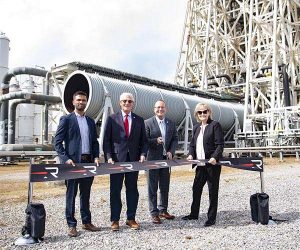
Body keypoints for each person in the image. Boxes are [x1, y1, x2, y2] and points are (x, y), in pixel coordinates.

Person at [54, 91, 101, 237]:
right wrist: (65, 158)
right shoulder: (66, 120)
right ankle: (71, 225)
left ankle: (86, 222)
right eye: (79, 100)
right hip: (73, 163)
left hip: (88, 162)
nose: (81, 102)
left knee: (85, 194)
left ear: (86, 102)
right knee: (71, 194)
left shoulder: (90, 121)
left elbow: (94, 142)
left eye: (84, 100)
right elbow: (57, 142)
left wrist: (96, 156)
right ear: (73, 102)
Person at [103, 92, 148, 231]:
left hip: (133, 160)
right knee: (115, 190)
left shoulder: (139, 120)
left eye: (129, 101)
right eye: (124, 101)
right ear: (120, 103)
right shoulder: (112, 119)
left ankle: (131, 218)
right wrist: (109, 156)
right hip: (116, 161)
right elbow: (106, 140)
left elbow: (144, 141)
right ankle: (115, 220)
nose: (127, 103)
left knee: (132, 190)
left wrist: (142, 154)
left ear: (133, 103)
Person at [182, 103, 224, 227]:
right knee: (196, 189)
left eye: (205, 111)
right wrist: (191, 154)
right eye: (199, 112)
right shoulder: (196, 128)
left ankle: (211, 218)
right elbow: (192, 145)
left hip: (212, 165)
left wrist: (214, 157)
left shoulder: (215, 125)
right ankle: (194, 214)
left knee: (212, 191)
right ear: (196, 114)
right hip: (200, 165)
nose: (202, 114)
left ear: (209, 112)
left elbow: (220, 144)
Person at [145, 100, 178, 224]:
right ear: (154, 109)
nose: (160, 109)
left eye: (162, 107)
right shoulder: (147, 123)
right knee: (152, 187)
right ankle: (154, 213)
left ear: (166, 109)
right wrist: (155, 141)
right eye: (158, 107)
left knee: (164, 186)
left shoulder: (171, 123)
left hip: (165, 159)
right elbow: (144, 140)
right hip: (152, 160)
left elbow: (175, 139)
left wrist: (171, 151)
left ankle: (163, 210)